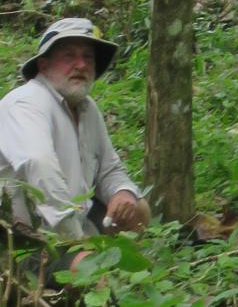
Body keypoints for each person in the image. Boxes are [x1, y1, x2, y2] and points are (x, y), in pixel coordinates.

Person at [0, 17, 152, 253]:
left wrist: (122, 192)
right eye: (69, 56)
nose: (80, 65)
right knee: (90, 274)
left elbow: (109, 168)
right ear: (43, 65)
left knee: (138, 210)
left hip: (77, 217)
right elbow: (39, 167)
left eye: (87, 57)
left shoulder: (87, 108)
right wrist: (77, 242)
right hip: (27, 238)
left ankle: (104, 261)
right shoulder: (25, 103)